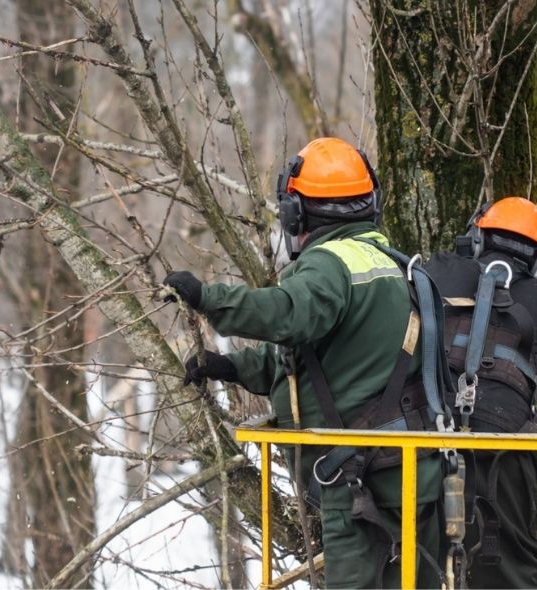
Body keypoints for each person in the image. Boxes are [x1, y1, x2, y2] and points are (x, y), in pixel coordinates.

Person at [163, 137, 442, 589]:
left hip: (360, 479)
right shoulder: (390, 264)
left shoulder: (330, 265)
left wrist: (208, 298)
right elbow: (327, 363)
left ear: (296, 214)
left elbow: (288, 314)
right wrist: (231, 368)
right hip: (411, 471)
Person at [426, 196, 537, 589]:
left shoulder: (438, 270)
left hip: (424, 426)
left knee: (414, 551)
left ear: (478, 238)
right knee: (509, 562)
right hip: (504, 441)